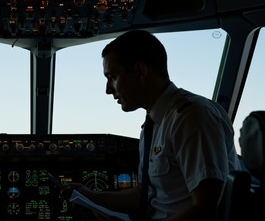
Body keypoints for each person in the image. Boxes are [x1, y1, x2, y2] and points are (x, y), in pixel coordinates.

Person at [62, 30, 241, 221]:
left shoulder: (192, 118)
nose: (108, 90)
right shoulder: (155, 123)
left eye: (112, 76)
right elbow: (145, 193)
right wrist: (94, 197)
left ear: (140, 71)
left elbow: (207, 208)